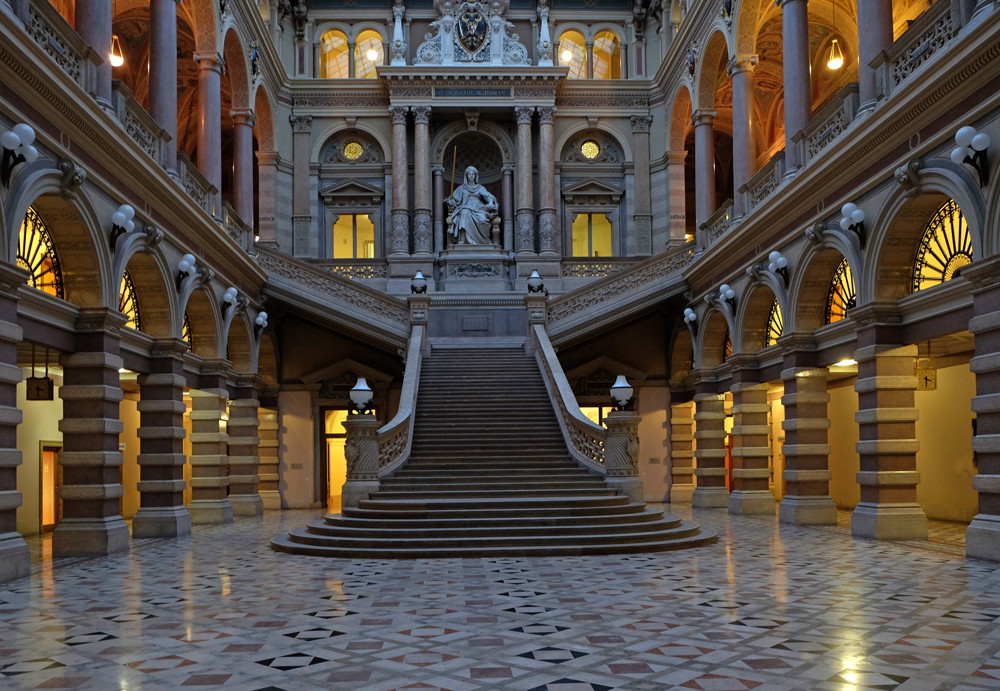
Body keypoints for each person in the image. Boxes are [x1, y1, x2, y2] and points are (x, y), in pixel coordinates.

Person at [445, 166, 498, 245]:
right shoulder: (461, 188)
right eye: (469, 174)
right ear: (466, 176)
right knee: (464, 213)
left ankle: (483, 240)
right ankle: (463, 239)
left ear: (475, 176)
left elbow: (489, 197)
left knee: (483, 219)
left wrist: (490, 203)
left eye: (473, 174)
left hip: (479, 209)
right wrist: (450, 202)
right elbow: (451, 199)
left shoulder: (480, 188)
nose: (471, 175)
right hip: (465, 208)